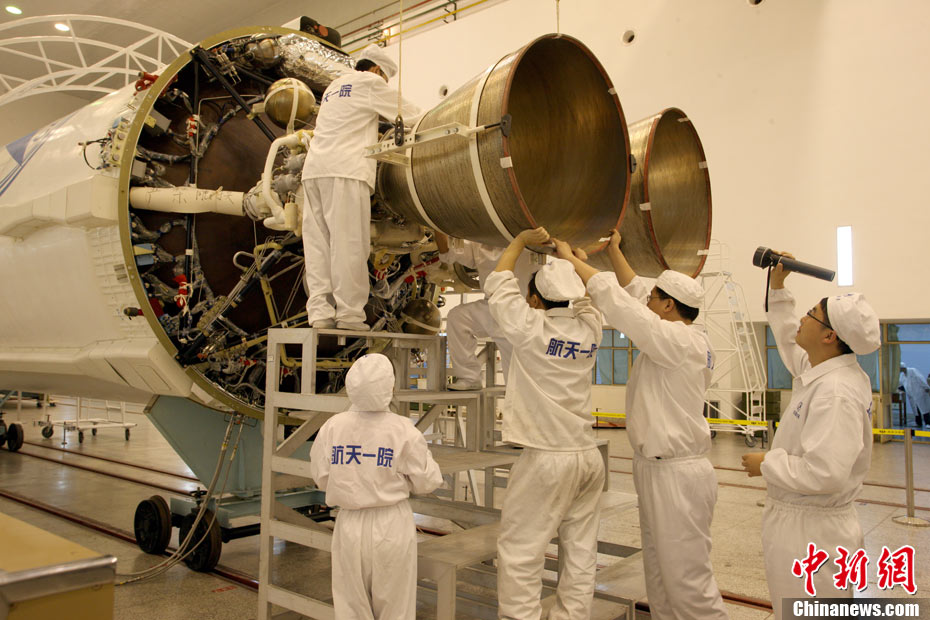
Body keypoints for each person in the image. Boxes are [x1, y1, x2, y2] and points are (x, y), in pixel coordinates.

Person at [556, 231, 728, 620]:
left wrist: (571, 261)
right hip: (658, 468)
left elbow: (619, 303)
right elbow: (633, 294)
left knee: (687, 580)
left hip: (677, 475)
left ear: (668, 306)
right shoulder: (680, 334)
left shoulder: (678, 342)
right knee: (660, 573)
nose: (646, 300)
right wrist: (614, 251)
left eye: (654, 298)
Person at [741, 253, 880, 619]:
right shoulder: (827, 370)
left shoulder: (836, 392)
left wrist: (767, 463)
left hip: (813, 534)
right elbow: (790, 340)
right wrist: (778, 288)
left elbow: (826, 473)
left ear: (829, 336)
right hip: (807, 526)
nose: (802, 318)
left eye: (811, 314)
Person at [485, 227, 605, 620]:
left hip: (546, 458)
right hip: (587, 456)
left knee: (521, 550)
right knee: (581, 550)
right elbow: (589, 300)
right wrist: (572, 261)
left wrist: (519, 242)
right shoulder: (589, 330)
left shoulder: (530, 328)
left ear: (534, 300)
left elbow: (498, 283)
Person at [309, 353, 443, 619]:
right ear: (390, 387)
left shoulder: (332, 427)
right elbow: (428, 481)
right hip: (391, 525)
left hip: (349, 525)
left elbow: (321, 477)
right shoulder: (403, 430)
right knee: (395, 607)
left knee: (351, 607)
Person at [302, 45, 423, 330]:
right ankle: (349, 315)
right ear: (377, 70)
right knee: (349, 244)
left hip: (314, 171)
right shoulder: (370, 82)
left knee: (318, 245)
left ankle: (319, 314)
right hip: (346, 171)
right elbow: (411, 115)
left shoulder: (334, 86)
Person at [434, 230, 538, 390]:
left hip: (521, 310)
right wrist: (437, 227)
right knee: (457, 318)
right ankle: (470, 378)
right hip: (491, 307)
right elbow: (447, 254)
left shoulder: (527, 239)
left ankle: (519, 397)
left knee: (516, 381)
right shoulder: (479, 243)